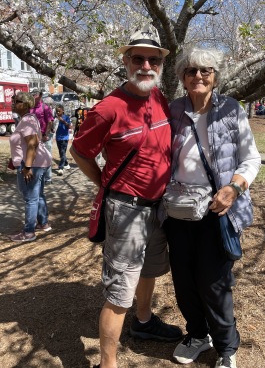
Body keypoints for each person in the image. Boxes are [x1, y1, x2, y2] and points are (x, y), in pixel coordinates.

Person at [70, 24, 182, 368]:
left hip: (159, 207)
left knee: (149, 270)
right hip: (126, 209)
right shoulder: (108, 108)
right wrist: (104, 182)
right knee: (120, 291)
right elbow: (80, 151)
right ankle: (108, 363)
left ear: (161, 66)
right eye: (138, 58)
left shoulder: (158, 97)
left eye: (153, 60)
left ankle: (144, 322)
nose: (146, 66)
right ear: (126, 61)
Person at [164, 48, 261, 368]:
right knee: (184, 279)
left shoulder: (231, 109)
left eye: (206, 70)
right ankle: (197, 334)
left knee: (214, 281)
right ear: (182, 77)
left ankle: (226, 347)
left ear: (216, 76)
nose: (198, 76)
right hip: (178, 210)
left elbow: (251, 158)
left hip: (217, 210)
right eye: (191, 70)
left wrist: (233, 188)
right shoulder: (174, 109)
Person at [9, 91, 52, 242]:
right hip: (39, 162)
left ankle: (29, 232)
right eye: (13, 100)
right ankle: (44, 223)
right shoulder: (28, 119)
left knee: (30, 198)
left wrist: (27, 167)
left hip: (32, 164)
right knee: (37, 195)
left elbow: (32, 144)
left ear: (26, 104)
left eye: (17, 101)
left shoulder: (27, 121)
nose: (13, 102)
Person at [30, 89, 54, 184]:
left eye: (34, 95)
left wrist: (45, 135)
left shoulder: (45, 107)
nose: (33, 97)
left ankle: (48, 177)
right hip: (33, 136)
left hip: (44, 136)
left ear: (39, 96)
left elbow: (50, 122)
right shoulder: (30, 108)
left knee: (46, 156)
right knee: (36, 156)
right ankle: (38, 175)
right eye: (32, 95)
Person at [55, 104, 72, 175]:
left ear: (63, 111)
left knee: (62, 152)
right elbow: (54, 126)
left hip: (64, 138)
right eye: (57, 111)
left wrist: (63, 121)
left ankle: (61, 168)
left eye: (59, 111)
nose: (58, 113)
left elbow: (70, 127)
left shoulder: (66, 117)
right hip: (58, 137)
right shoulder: (56, 118)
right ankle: (66, 164)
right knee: (61, 152)